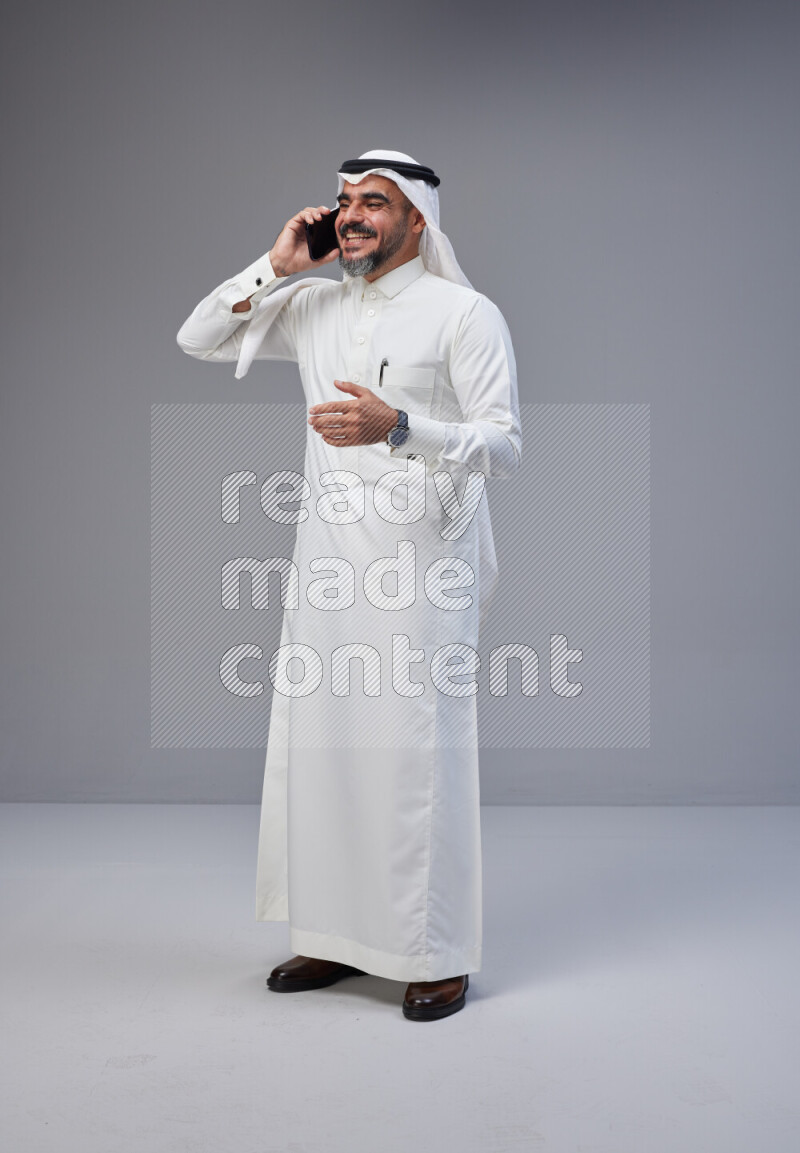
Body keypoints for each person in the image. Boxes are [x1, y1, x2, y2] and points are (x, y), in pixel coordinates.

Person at [177, 150, 521, 1020]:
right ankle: (335, 938)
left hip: (422, 567)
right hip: (328, 567)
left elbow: (504, 443)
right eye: (344, 202)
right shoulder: (314, 304)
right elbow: (198, 338)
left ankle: (435, 952)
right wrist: (278, 266)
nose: (356, 215)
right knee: (325, 749)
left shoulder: (465, 314)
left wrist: (397, 426)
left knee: (414, 757)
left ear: (418, 220)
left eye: (376, 202)